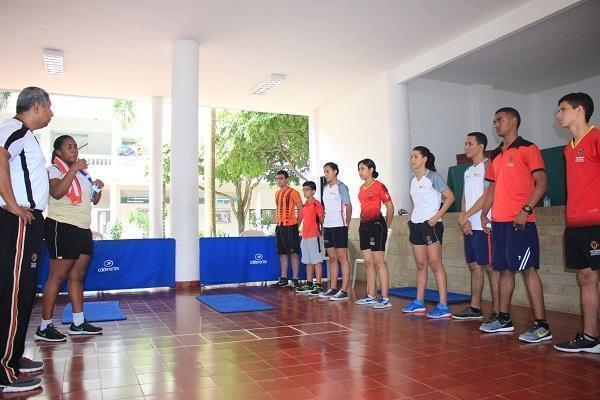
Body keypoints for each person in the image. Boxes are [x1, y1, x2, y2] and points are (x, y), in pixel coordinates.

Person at [479, 107, 552, 343]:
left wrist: (526, 209)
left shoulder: (528, 148)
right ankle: (503, 318)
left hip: (520, 221)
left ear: (513, 121)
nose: (496, 124)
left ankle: (542, 325)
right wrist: (483, 213)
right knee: (503, 270)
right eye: (494, 121)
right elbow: (491, 188)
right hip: (499, 222)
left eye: (499, 120)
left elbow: (541, 183)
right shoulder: (495, 156)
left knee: (528, 269)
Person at [0, 87, 53, 393]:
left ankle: (15, 357)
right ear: (36, 106)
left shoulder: (26, 134)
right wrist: (12, 204)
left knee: (22, 294)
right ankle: (3, 371)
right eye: (49, 107)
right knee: (12, 293)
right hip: (19, 220)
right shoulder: (14, 128)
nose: (51, 113)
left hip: (30, 221)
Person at [34, 135, 104, 342]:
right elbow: (56, 192)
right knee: (57, 277)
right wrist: (73, 170)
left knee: (77, 277)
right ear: (58, 153)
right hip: (61, 227)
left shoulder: (83, 175)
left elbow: (94, 200)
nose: (74, 150)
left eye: (75, 147)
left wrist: (98, 188)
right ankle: (44, 326)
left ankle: (78, 323)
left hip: (82, 229)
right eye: (69, 147)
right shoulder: (53, 170)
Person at [554, 93, 600, 353]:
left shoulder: (597, 138)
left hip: (597, 223)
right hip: (575, 224)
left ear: (579, 110)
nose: (559, 115)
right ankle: (591, 337)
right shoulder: (567, 148)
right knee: (585, 277)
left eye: (563, 109)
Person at [402, 147, 455, 318]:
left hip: (431, 225)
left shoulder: (433, 176)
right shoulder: (412, 180)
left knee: (436, 264)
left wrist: (436, 216)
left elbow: (450, 197)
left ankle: (443, 305)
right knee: (420, 265)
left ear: (424, 159)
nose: (412, 159)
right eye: (411, 156)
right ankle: (419, 302)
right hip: (416, 225)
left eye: (415, 156)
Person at [454, 132, 500, 320]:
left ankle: (499, 311)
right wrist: (464, 219)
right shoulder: (467, 171)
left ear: (481, 146)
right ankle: (475, 307)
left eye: (469, 143)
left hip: (484, 224)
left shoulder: (489, 166)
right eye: (465, 143)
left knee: (490, 267)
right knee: (474, 265)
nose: (466, 147)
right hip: (470, 225)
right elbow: (465, 196)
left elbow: (486, 196)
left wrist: (467, 215)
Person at [354, 159, 394, 309]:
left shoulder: (379, 186)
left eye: (363, 168)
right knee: (368, 262)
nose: (360, 171)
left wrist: (386, 226)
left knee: (379, 262)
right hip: (363, 226)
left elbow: (390, 207)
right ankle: (371, 295)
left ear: (371, 170)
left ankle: (385, 298)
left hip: (376, 226)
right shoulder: (361, 188)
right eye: (359, 169)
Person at [319, 162, 353, 301]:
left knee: (342, 258)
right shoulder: (325, 188)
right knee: (332, 258)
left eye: (328, 171)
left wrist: (347, 223)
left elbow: (348, 206)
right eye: (324, 171)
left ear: (335, 172)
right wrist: (323, 227)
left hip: (339, 226)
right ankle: (333, 288)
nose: (326, 174)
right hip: (328, 226)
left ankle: (344, 290)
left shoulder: (341, 187)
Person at [270, 170, 303, 288]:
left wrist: (296, 226)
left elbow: (301, 210)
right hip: (280, 227)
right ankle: (283, 279)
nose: (279, 181)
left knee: (293, 253)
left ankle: (295, 280)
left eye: (281, 178)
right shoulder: (277, 193)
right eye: (277, 178)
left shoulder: (294, 192)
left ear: (286, 179)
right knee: (282, 253)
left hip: (291, 226)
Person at [295, 181, 325, 296]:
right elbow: (300, 219)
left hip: (315, 236)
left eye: (307, 189)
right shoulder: (304, 205)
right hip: (305, 236)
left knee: (316, 261)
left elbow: (322, 219)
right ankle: (309, 283)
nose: (305, 192)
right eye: (303, 189)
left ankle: (318, 285)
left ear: (313, 191)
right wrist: (295, 230)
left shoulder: (316, 204)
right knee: (307, 261)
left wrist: (319, 230)